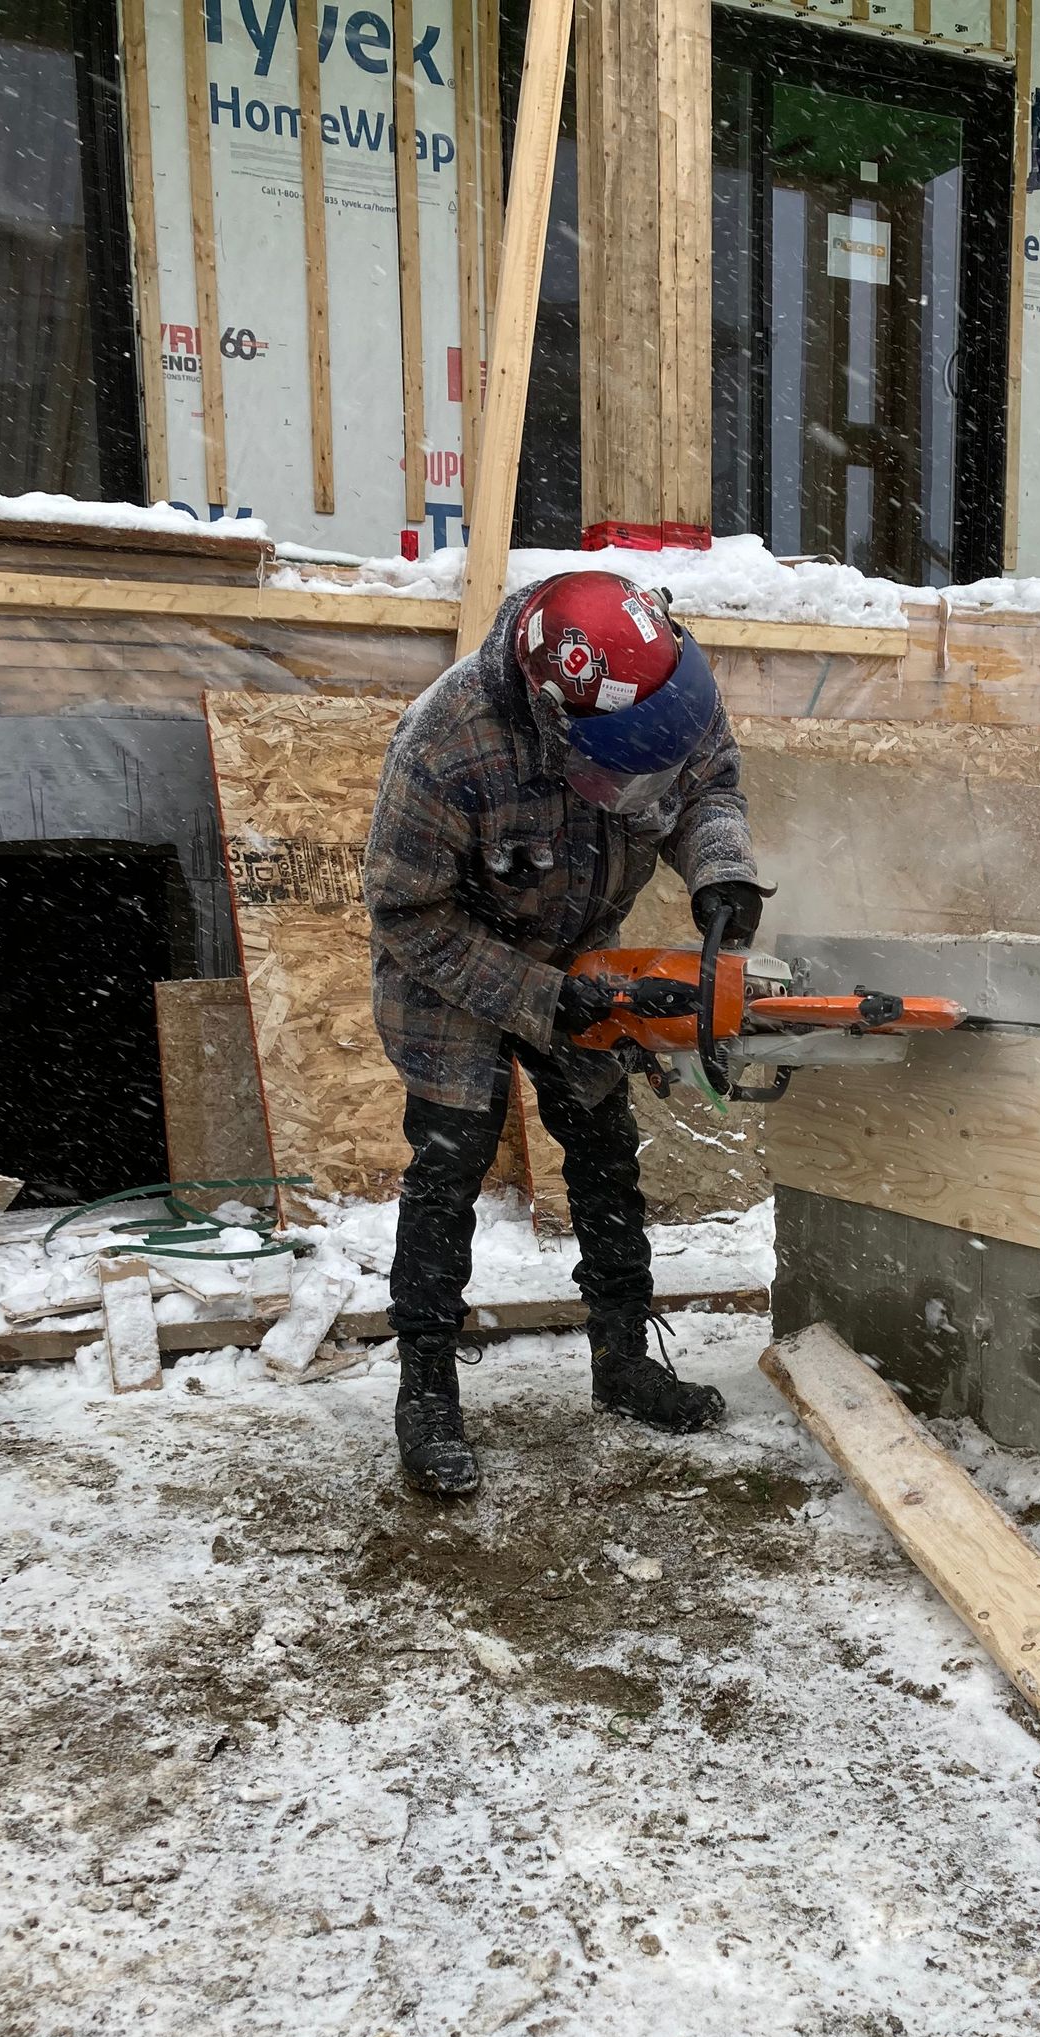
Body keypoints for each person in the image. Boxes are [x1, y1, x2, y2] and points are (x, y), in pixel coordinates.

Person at [363, 568, 767, 1497]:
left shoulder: (658, 677)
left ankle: (622, 1360)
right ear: (555, 722)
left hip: (578, 941)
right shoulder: (446, 745)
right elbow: (406, 914)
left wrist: (720, 871)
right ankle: (425, 1392)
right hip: (454, 961)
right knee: (450, 1160)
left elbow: (708, 784)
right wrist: (538, 996)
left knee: (602, 1147)